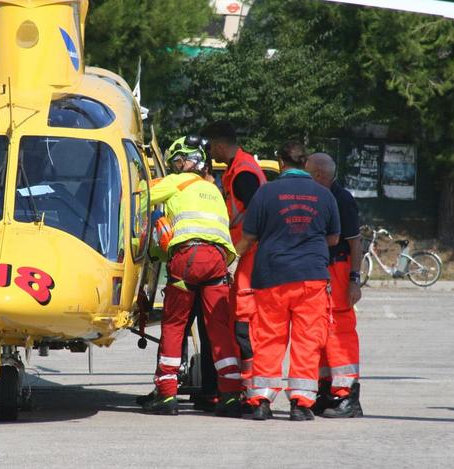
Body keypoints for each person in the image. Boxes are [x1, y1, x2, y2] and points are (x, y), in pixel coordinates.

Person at [236, 141, 340, 421]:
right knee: (307, 340)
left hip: (272, 276)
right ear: (306, 164)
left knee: (268, 338)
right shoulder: (324, 195)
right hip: (311, 277)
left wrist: (234, 257)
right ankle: (301, 404)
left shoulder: (265, 193)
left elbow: (249, 237)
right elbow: (334, 238)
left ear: (281, 163)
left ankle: (261, 401)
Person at [142, 135, 242, 417]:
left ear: (188, 160)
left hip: (189, 258)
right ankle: (230, 395)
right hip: (218, 262)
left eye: (177, 161)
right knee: (218, 328)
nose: (175, 166)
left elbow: (138, 192)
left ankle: (166, 394)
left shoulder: (177, 182)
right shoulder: (214, 190)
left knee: (174, 325)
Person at [201, 120, 267, 403]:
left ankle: (244, 389)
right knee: (238, 323)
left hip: (248, 257)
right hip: (245, 255)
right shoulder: (239, 169)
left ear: (218, 145)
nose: (210, 154)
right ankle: (238, 387)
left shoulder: (243, 174)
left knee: (243, 324)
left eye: (211, 148)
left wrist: (235, 254)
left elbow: (257, 216)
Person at [305, 152, 364, 418]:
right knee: (321, 331)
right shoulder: (320, 197)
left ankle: (348, 397)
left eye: (308, 173)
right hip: (323, 269)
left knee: (340, 332)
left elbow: (354, 244)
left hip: (338, 269)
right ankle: (327, 390)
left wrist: (354, 280)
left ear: (319, 175)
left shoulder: (342, 200)